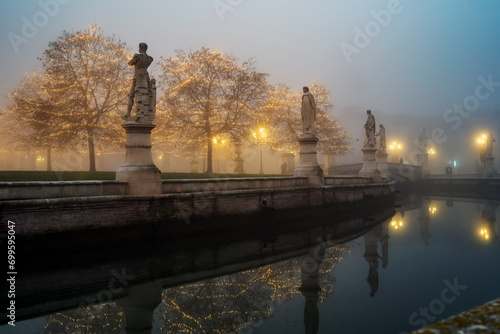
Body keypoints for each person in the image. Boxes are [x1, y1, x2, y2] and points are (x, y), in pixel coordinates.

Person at [123, 42, 154, 119]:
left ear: (140, 48)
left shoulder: (137, 56)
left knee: (132, 95)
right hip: (146, 77)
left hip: (138, 77)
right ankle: (140, 114)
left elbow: (130, 63)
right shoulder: (150, 58)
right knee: (144, 95)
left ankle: (128, 113)